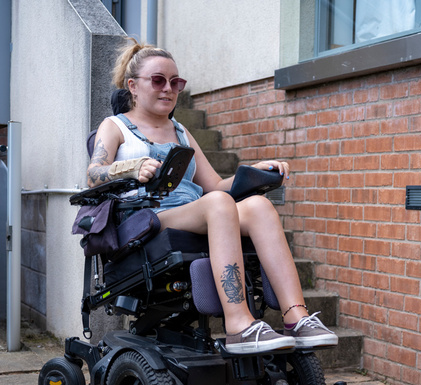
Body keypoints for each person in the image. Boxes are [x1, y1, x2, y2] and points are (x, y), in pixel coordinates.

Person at [86, 38, 337, 355]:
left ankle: (296, 317)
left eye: (176, 82)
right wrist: (131, 167)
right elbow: (93, 173)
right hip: (145, 220)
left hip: (194, 210)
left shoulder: (180, 131)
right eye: (158, 81)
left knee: (258, 205)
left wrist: (253, 171)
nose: (169, 89)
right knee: (219, 205)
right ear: (133, 86)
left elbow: (216, 186)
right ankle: (239, 325)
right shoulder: (116, 126)